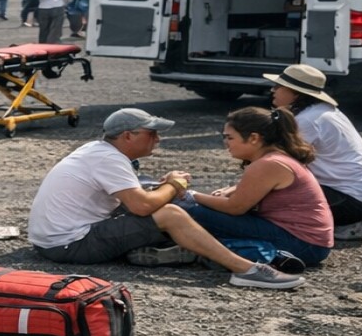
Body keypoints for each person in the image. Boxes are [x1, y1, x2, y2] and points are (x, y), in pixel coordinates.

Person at [27, 108, 305, 290]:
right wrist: (174, 185)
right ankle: (247, 270)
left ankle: (180, 250)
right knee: (170, 213)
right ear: (128, 136)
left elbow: (135, 199)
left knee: (157, 198)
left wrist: (166, 188)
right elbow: (142, 206)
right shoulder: (108, 159)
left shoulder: (99, 151)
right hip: (69, 245)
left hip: (56, 240)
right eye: (152, 133)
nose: (158, 139)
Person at [180, 107, 334, 271]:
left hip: (302, 244)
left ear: (254, 138)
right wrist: (229, 191)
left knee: (187, 209)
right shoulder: (278, 158)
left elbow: (234, 207)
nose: (226, 143)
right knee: (204, 213)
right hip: (309, 242)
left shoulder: (268, 164)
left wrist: (191, 195)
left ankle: (261, 254)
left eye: (230, 137)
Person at [265, 65, 362, 233]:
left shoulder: (308, 120)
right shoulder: (323, 112)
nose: (273, 90)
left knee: (269, 201)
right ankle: (351, 224)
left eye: (278, 86)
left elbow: (278, 164)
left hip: (353, 200)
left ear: (296, 93)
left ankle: (343, 225)